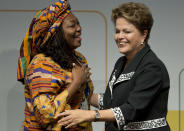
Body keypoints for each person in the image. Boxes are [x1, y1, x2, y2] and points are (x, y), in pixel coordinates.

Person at [57, 2, 171, 131]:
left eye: (126, 31)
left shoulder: (152, 67)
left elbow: (130, 109)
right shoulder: (121, 62)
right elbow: (110, 102)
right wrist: (77, 87)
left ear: (144, 34)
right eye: (117, 31)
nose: (120, 37)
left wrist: (89, 115)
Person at [17, 0, 94, 130]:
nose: (79, 28)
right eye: (72, 25)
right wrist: (75, 84)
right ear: (56, 32)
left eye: (78, 24)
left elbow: (84, 100)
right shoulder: (42, 64)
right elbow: (45, 115)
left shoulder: (79, 58)